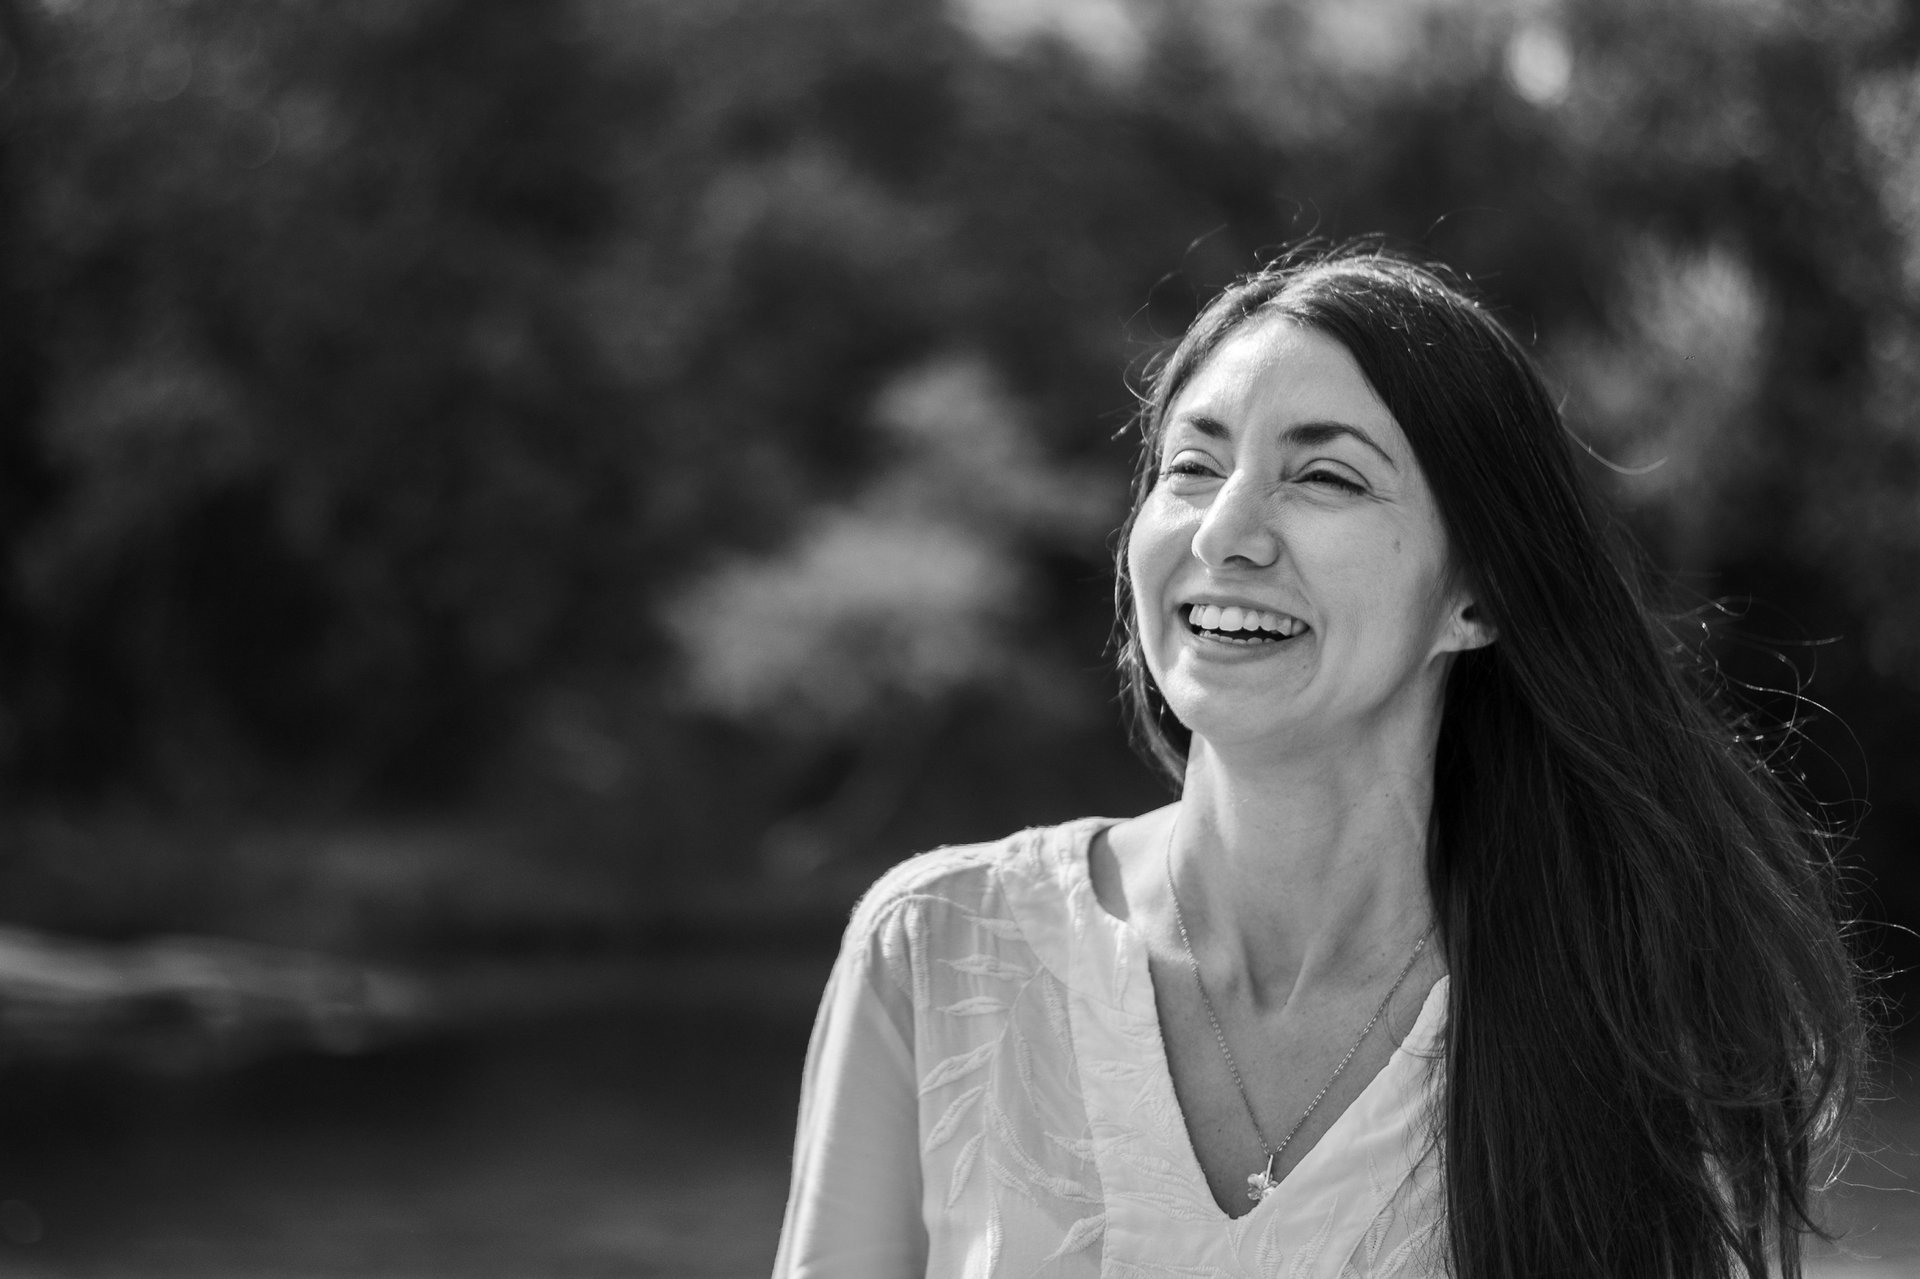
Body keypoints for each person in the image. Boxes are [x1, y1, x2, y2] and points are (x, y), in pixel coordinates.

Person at [771, 248, 1865, 1278]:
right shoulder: (939, 947)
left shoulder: (1627, 1018)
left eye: (1327, 478)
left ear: (1477, 594)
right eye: (1192, 465)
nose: (1226, 531)